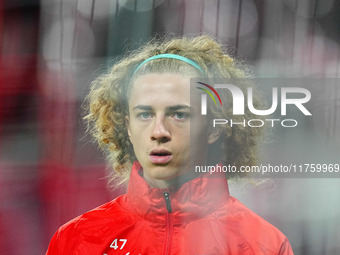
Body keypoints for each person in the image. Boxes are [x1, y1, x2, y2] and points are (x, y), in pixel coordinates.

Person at [46, 35, 293, 254]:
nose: (159, 132)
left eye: (179, 115)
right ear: (128, 127)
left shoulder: (264, 245)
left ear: (214, 127)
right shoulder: (76, 240)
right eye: (145, 115)